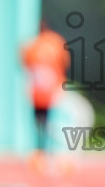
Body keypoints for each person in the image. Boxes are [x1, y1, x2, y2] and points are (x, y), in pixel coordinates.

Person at [21, 22, 70, 154]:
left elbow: (24, 64)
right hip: (52, 93)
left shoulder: (31, 45)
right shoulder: (56, 42)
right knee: (53, 124)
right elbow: (65, 62)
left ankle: (40, 151)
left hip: (37, 94)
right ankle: (52, 152)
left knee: (39, 125)